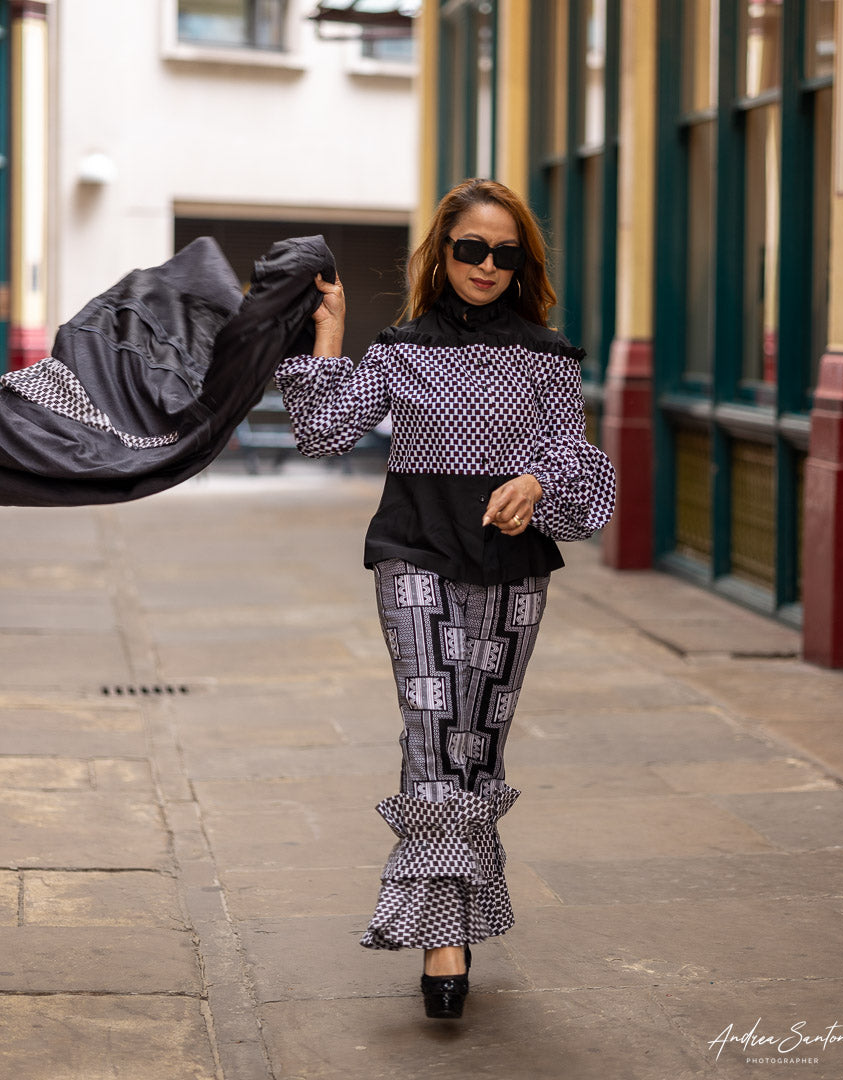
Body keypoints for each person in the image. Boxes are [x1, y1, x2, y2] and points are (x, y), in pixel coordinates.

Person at [274, 178, 616, 1020]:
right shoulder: (398, 349)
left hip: (512, 571)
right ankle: (442, 938)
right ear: (444, 253)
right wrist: (329, 333)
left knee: (476, 743)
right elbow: (323, 433)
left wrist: (536, 479)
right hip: (414, 554)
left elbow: (579, 469)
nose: (487, 265)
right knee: (433, 731)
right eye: (471, 248)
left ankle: (462, 905)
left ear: (520, 263)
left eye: (505, 253)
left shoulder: (548, 358)